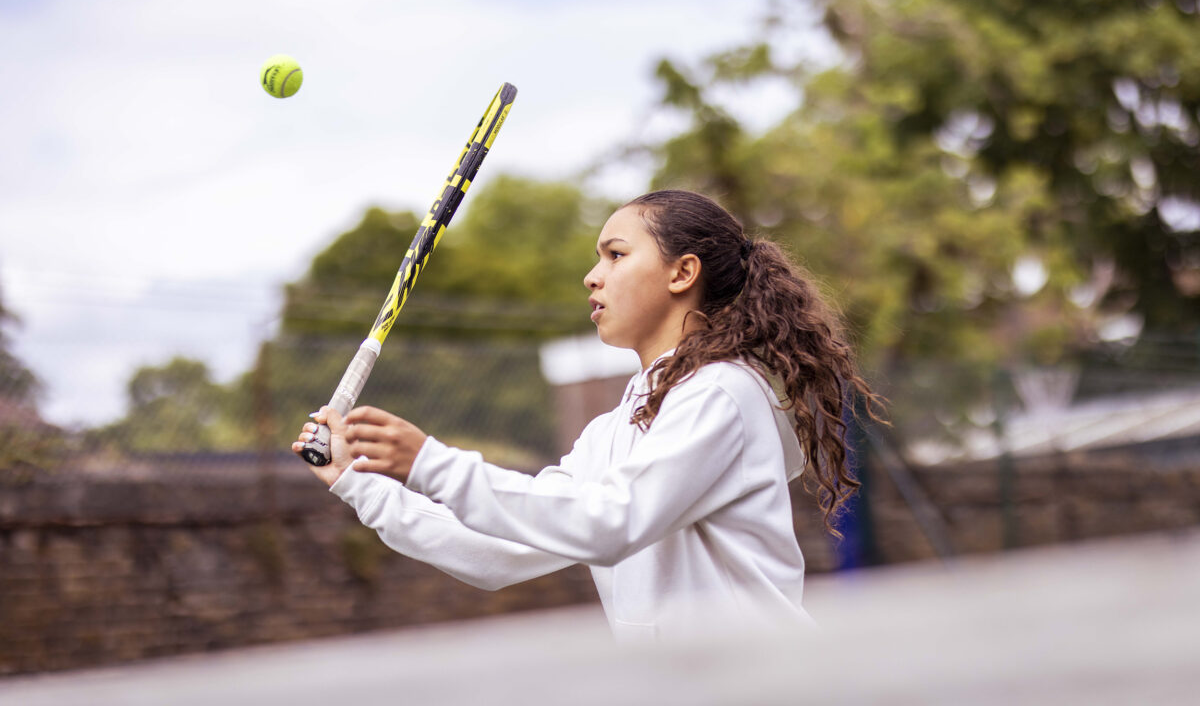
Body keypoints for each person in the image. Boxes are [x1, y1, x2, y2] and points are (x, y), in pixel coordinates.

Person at [294, 189, 882, 641]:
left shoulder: (721, 395)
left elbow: (611, 523)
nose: (591, 275)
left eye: (616, 254)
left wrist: (430, 463)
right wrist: (360, 485)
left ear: (683, 272)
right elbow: (496, 552)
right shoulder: (612, 431)